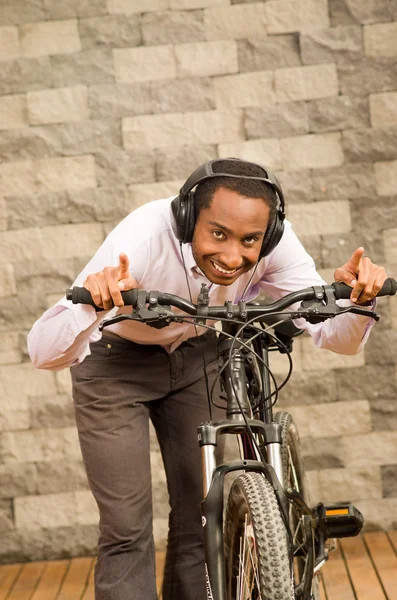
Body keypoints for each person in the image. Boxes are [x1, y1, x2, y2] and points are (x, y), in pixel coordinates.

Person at [28, 158, 387, 600]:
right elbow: (43, 353)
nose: (233, 256)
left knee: (203, 516)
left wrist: (357, 302)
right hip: (114, 364)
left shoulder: (276, 243)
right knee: (126, 527)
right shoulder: (141, 237)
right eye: (218, 234)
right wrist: (94, 306)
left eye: (250, 240)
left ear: (268, 234)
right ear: (186, 219)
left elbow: (337, 338)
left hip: (201, 354)